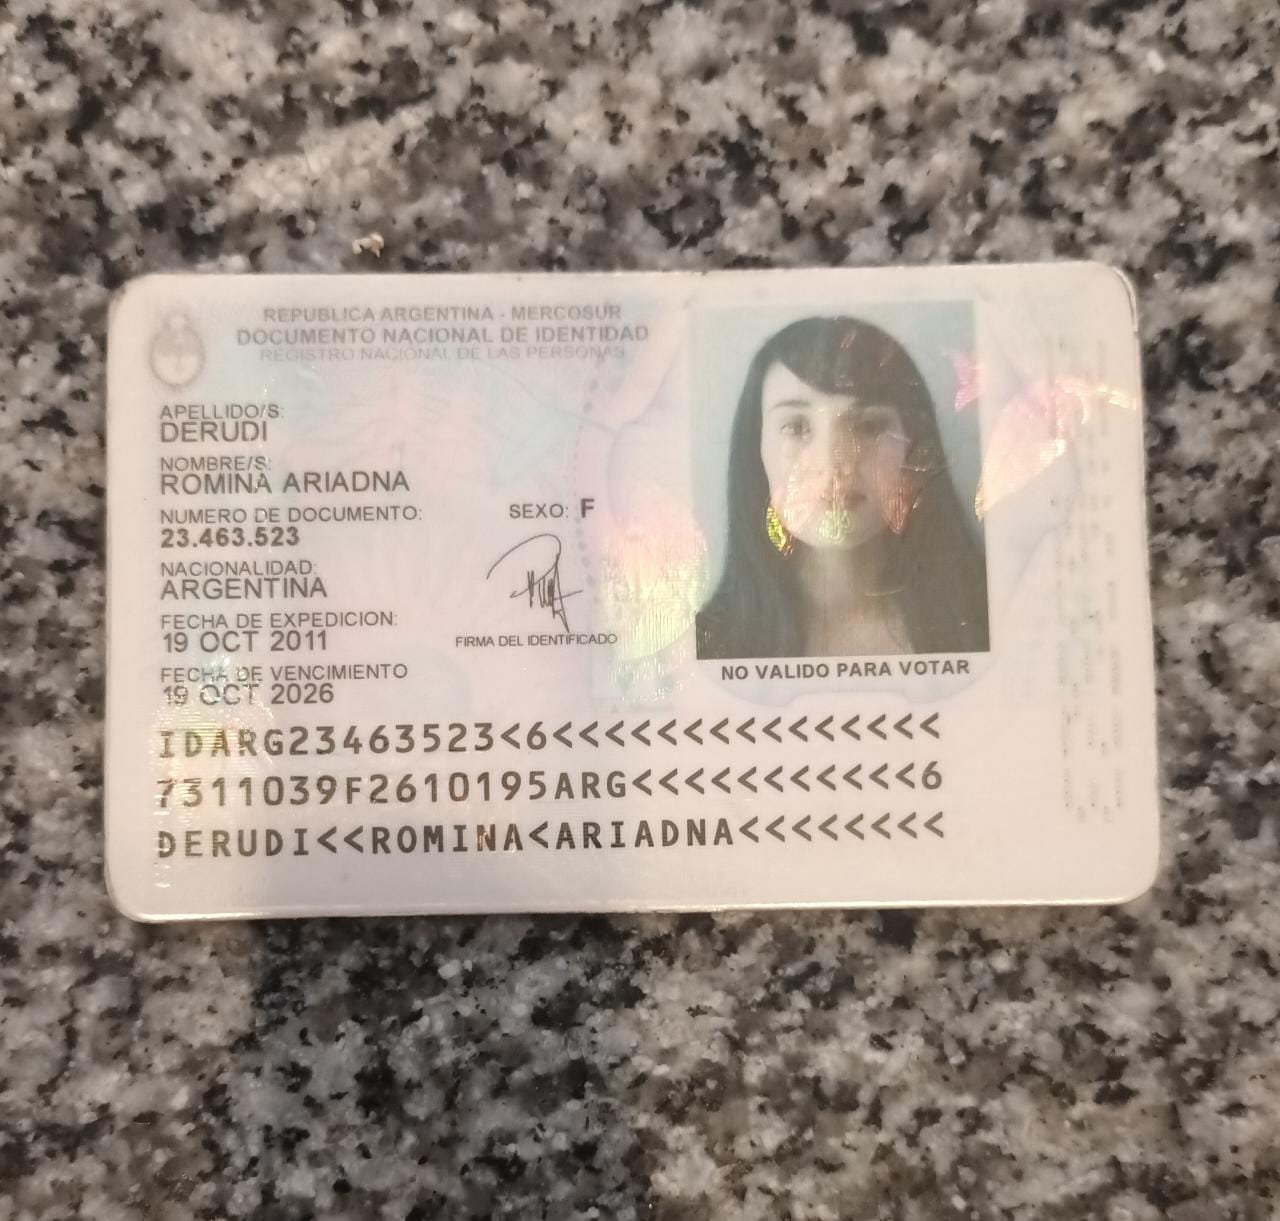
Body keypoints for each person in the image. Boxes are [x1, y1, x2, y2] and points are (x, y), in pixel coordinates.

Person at [695, 316, 989, 659]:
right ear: (755, 448)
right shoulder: (705, 647)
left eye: (869, 425)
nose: (834, 462)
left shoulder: (987, 623)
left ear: (913, 447)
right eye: (796, 427)